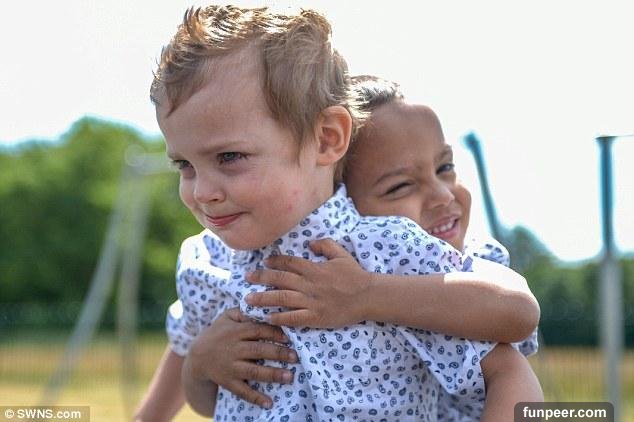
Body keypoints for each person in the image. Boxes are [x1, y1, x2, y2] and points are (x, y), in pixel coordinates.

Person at [139, 4, 541, 420]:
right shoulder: (206, 265)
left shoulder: (387, 252)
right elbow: (214, 404)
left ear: (327, 139)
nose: (202, 192)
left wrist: (368, 294)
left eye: (229, 157)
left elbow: (512, 346)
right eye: (184, 165)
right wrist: (199, 366)